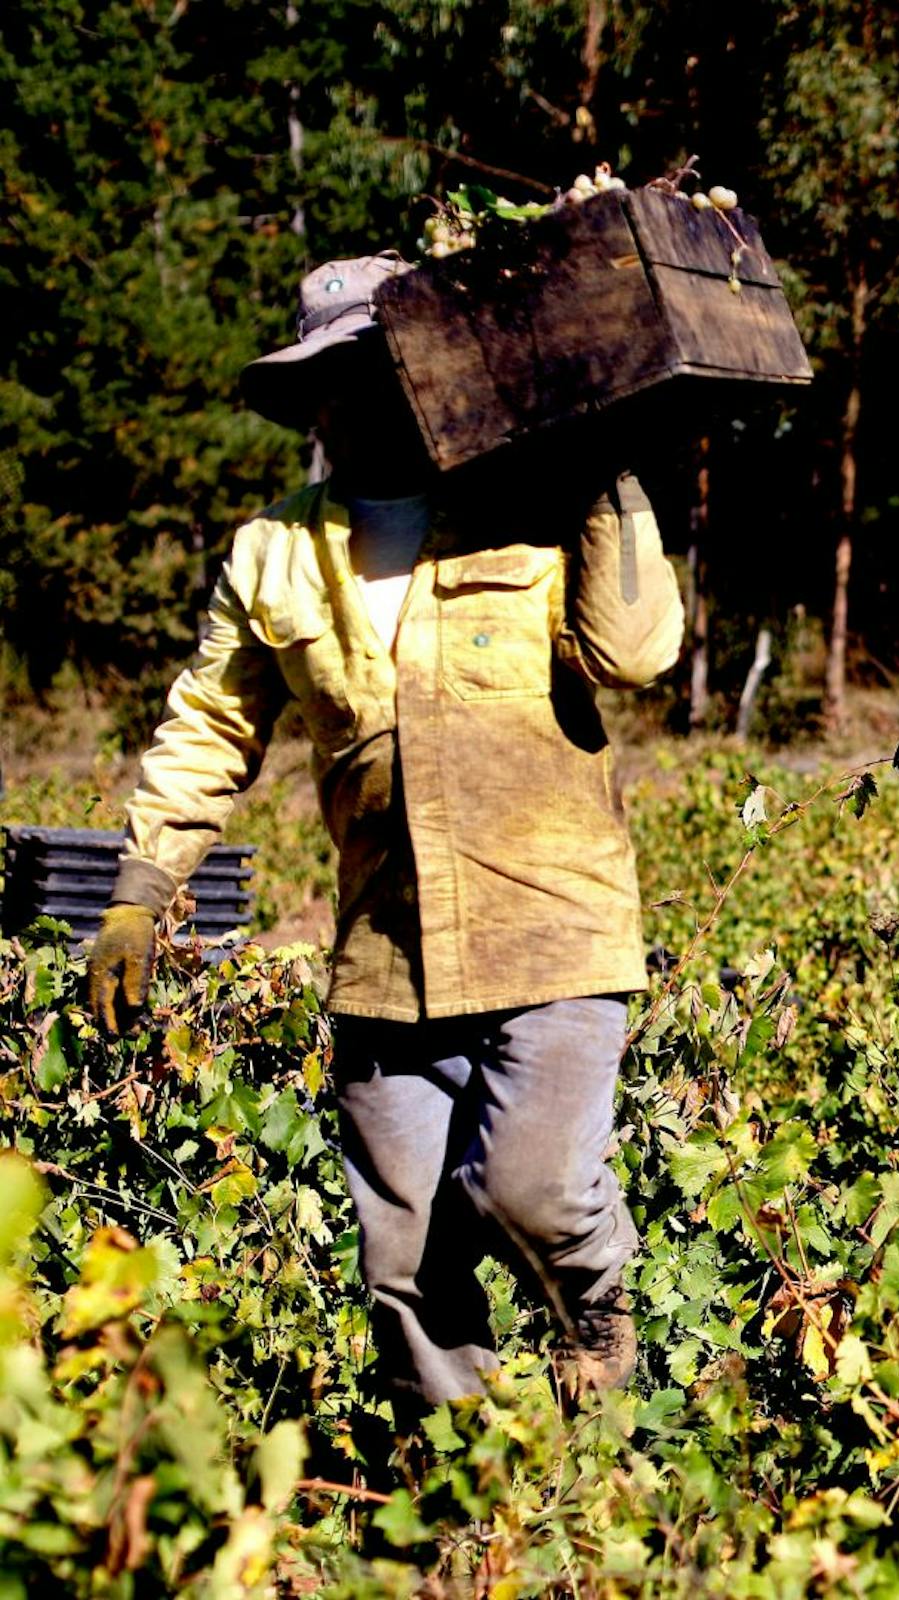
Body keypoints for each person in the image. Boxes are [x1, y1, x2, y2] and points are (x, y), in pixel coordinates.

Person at [86, 251, 685, 1417]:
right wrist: (141, 885)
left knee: (534, 1191)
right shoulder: (273, 551)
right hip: (386, 952)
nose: (360, 395)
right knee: (403, 1266)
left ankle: (599, 1316)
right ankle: (466, 1491)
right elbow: (209, 725)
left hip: (550, 924)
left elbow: (639, 652)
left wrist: (601, 462)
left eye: (384, 363)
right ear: (308, 398)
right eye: (335, 376)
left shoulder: (537, 500)